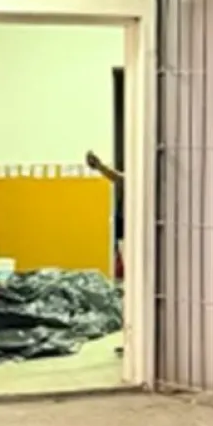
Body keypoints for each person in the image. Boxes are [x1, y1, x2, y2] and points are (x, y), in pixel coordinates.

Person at [86, 150, 124, 358]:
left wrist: (100, 167)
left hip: (131, 239)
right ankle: (130, 340)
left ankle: (133, 341)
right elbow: (118, 178)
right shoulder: (130, 181)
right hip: (125, 238)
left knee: (132, 290)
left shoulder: (137, 180)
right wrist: (99, 167)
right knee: (126, 290)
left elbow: (119, 178)